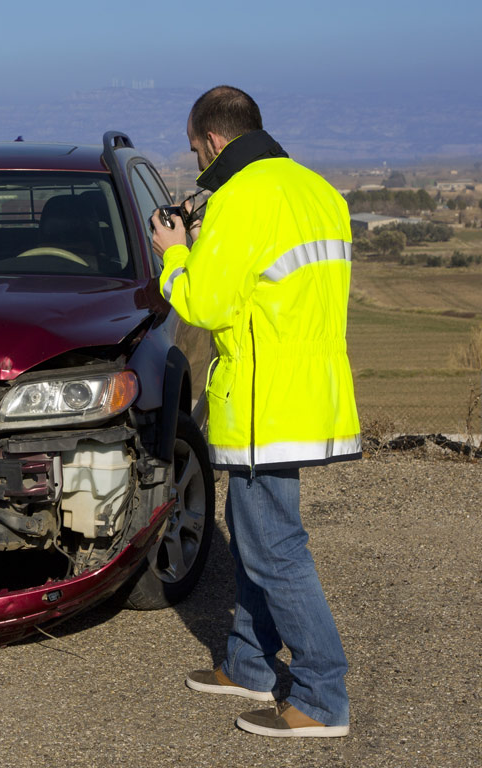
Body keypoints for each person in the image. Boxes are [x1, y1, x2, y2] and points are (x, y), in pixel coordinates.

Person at [150, 86, 360, 738]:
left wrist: (175, 253)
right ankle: (248, 662)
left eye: (194, 150)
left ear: (213, 140)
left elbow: (206, 305)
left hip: (265, 402)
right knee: (256, 535)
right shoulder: (317, 191)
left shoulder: (241, 198)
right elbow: (275, 289)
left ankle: (324, 697)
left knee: (274, 549)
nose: (195, 162)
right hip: (311, 395)